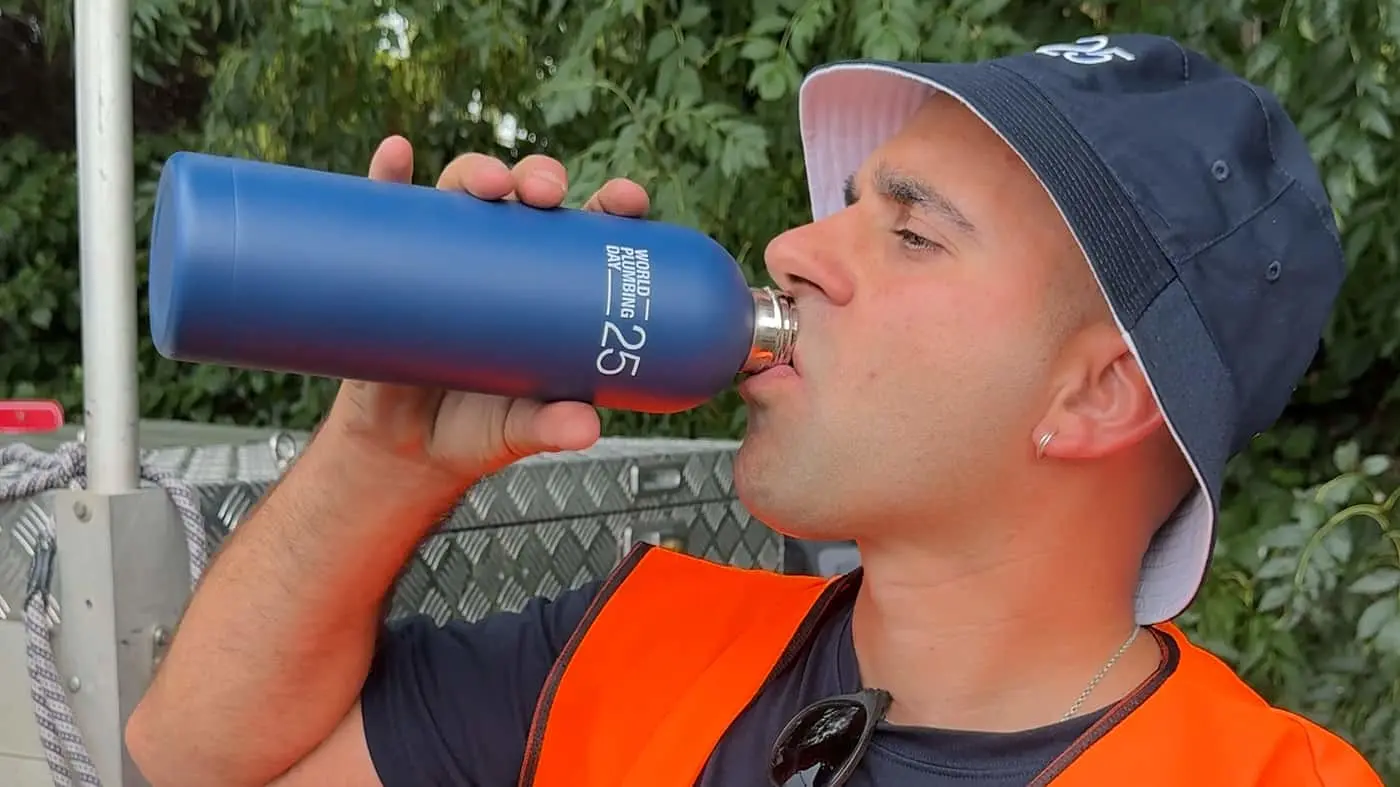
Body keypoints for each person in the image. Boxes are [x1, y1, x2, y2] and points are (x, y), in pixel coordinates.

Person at [125, 32, 1383, 787]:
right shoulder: (634, 637)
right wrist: (382, 449)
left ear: (1096, 388)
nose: (790, 246)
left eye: (908, 231)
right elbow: (196, 761)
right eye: (836, 203)